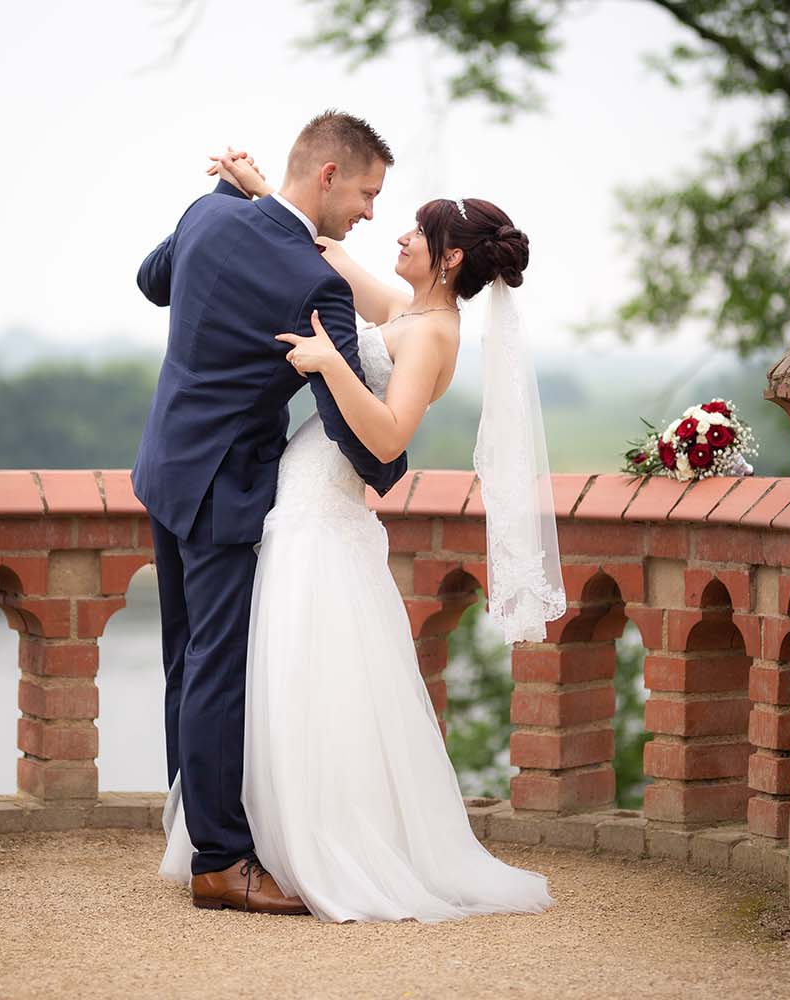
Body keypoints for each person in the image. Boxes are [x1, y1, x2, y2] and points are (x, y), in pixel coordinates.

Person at [156, 146, 566, 922]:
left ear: (447, 260)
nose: (398, 233)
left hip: (326, 513)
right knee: (275, 673)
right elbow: (326, 253)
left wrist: (325, 366)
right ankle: (267, 836)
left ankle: (323, 844)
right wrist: (260, 191)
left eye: (416, 230)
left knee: (309, 675)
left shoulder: (436, 334)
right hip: (298, 498)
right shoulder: (407, 311)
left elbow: (385, 440)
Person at [133, 110, 409, 915]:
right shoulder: (312, 281)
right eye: (366, 193)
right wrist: (386, 466)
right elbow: (342, 414)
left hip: (167, 464)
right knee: (216, 670)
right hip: (225, 486)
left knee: (185, 663)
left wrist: (224, 189)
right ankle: (220, 861)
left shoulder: (210, 211)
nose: (369, 212)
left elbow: (154, 282)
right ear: (327, 176)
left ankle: (190, 829)